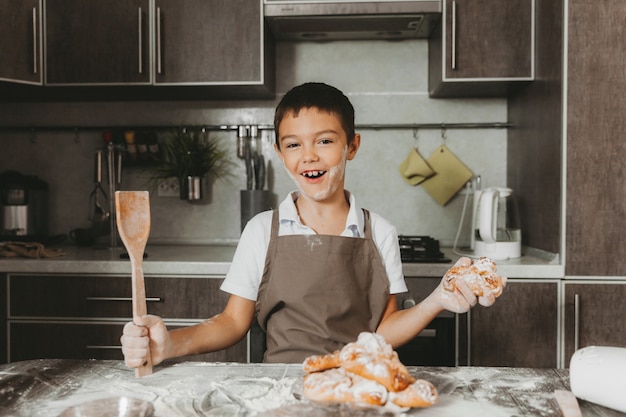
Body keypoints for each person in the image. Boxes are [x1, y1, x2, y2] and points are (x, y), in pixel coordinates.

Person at [121, 82, 501, 367]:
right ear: (280, 153)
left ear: (351, 146)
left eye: (324, 141)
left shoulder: (378, 231)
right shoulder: (262, 230)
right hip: (280, 388)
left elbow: (385, 331)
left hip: (360, 382)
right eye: (293, 144)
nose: (309, 156)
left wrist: (437, 300)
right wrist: (170, 344)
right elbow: (231, 323)